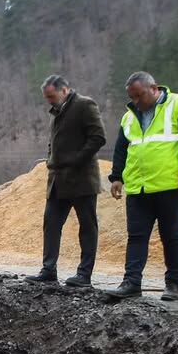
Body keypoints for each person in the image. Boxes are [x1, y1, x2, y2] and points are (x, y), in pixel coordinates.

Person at [106, 71, 178, 302]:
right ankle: (131, 283)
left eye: (139, 96)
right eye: (132, 97)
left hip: (169, 186)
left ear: (154, 89)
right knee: (136, 237)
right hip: (138, 188)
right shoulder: (129, 117)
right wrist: (116, 177)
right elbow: (122, 148)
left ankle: (173, 285)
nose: (136, 101)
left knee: (171, 236)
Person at [27, 75, 107, 288]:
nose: (49, 101)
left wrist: (76, 160)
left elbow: (98, 137)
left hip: (82, 180)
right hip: (57, 180)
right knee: (51, 224)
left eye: (51, 96)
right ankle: (48, 270)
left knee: (87, 226)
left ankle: (84, 275)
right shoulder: (56, 112)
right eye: (47, 98)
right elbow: (55, 141)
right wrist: (51, 158)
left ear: (64, 90)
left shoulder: (84, 105)